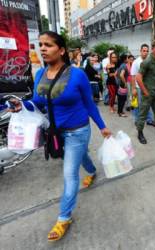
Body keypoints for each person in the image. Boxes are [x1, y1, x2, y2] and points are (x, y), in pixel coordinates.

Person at [8, 31, 111, 241]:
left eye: (48, 45)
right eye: (41, 44)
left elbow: (90, 104)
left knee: (69, 173)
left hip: (78, 131)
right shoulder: (40, 75)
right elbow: (38, 102)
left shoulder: (77, 75)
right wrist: (22, 105)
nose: (43, 48)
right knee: (81, 158)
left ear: (61, 50)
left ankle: (64, 217)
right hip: (56, 132)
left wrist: (102, 126)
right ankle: (92, 171)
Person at [131, 44, 155, 126]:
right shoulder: (136, 62)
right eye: (144, 51)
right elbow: (133, 76)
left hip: (148, 87)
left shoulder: (149, 61)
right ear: (140, 51)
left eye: (147, 51)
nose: (145, 52)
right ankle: (137, 120)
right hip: (138, 87)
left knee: (148, 104)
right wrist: (133, 89)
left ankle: (149, 119)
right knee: (138, 105)